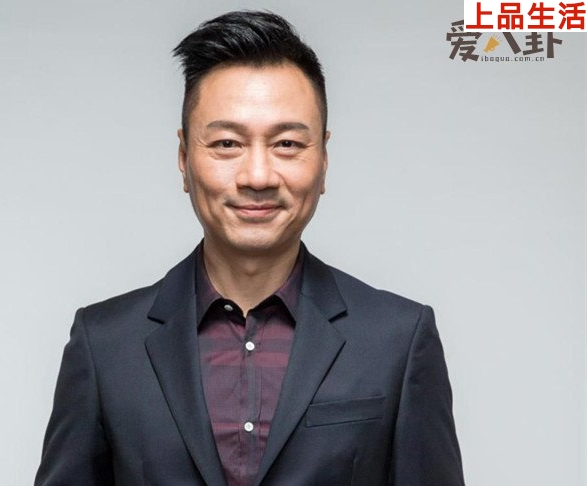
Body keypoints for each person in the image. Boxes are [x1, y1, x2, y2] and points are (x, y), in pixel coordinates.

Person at [35, 10, 464, 486]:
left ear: (323, 160)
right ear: (184, 157)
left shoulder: (398, 340)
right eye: (226, 143)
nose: (257, 176)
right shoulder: (105, 345)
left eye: (286, 143)